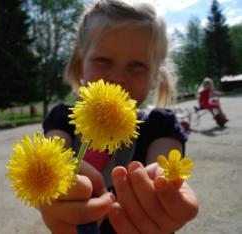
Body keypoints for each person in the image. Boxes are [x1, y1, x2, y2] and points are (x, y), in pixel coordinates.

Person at [41, 0, 198, 233]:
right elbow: (46, 165)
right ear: (79, 64)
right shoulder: (63, 120)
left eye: (137, 65)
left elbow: (162, 168)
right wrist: (47, 195)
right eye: (104, 61)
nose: (118, 77)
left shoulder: (159, 126)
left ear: (155, 75)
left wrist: (167, 195)